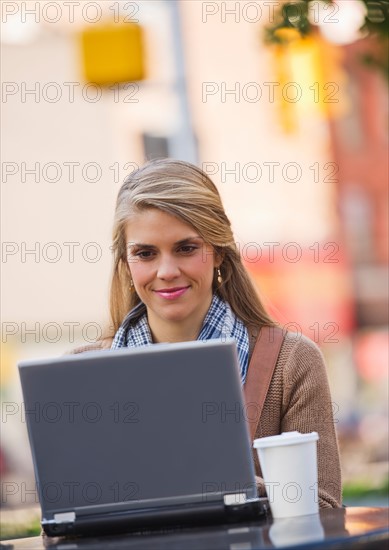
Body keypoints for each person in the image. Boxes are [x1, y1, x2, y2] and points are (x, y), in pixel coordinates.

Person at [71, 158, 342, 508]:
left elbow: (326, 511)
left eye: (186, 248)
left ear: (218, 253)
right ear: (126, 262)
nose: (166, 271)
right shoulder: (81, 374)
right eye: (146, 253)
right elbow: (68, 522)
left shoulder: (290, 364)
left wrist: (238, 486)